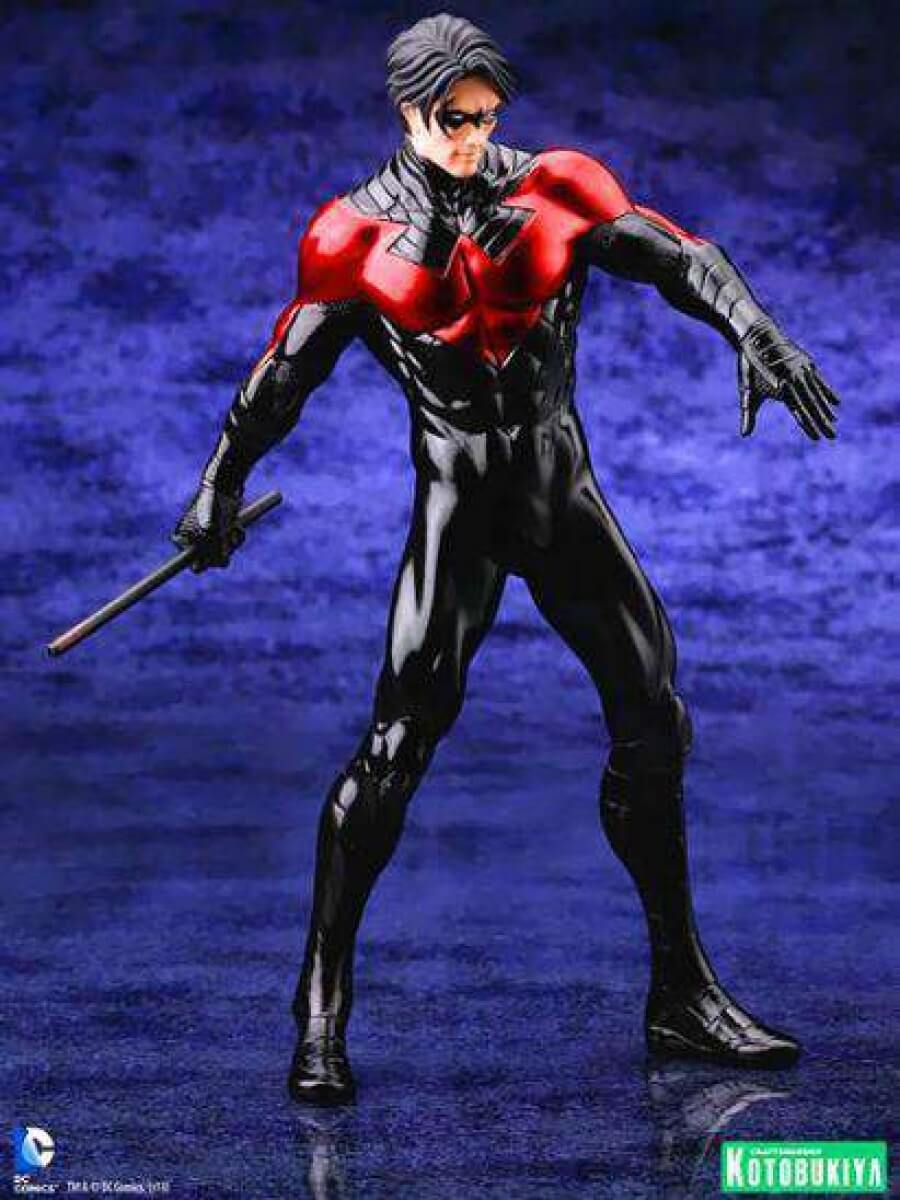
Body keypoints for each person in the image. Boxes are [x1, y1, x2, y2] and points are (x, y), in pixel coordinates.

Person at [173, 14, 840, 1104]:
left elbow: (678, 255)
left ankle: (680, 991)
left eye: (486, 116)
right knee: (397, 745)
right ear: (408, 112)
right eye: (453, 118)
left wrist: (751, 326)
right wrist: (218, 484)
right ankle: (320, 1008)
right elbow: (285, 370)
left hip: (558, 496)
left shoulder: (557, 187)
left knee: (654, 715)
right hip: (460, 511)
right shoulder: (352, 234)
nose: (474, 136)